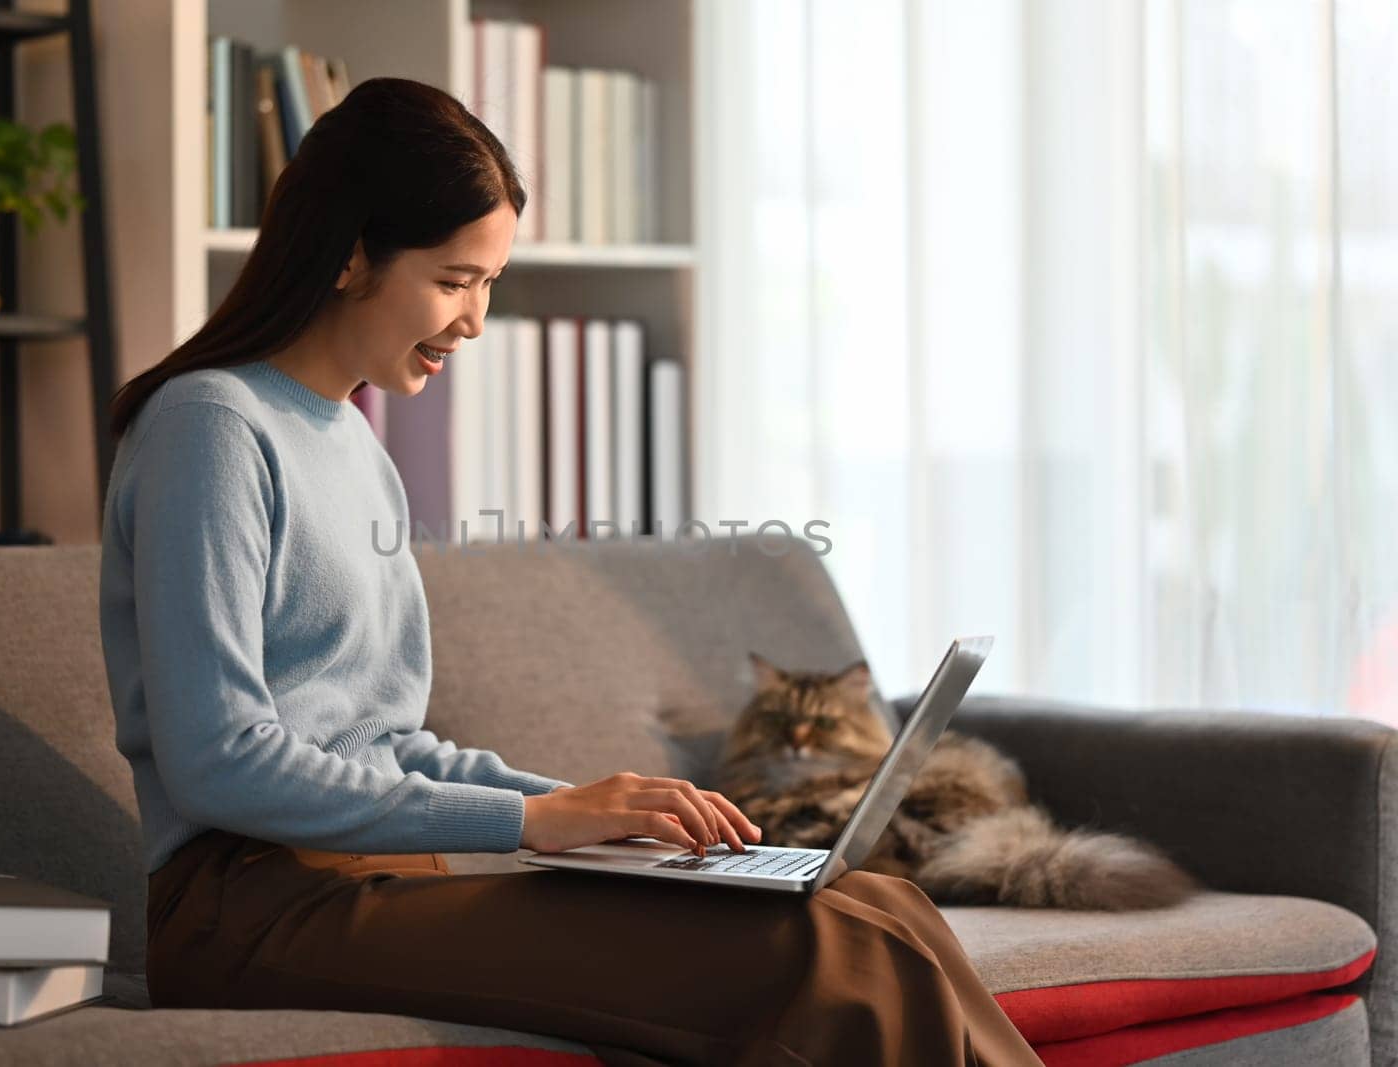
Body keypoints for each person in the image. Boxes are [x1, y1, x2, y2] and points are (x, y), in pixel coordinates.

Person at [98, 76, 1042, 1067]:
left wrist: (605, 810)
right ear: (349, 255)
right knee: (812, 946)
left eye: (489, 285)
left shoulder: (354, 445)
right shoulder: (210, 429)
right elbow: (219, 759)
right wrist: (532, 818)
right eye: (455, 279)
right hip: (248, 906)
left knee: (872, 898)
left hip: (376, 874)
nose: (474, 320)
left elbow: (387, 741)